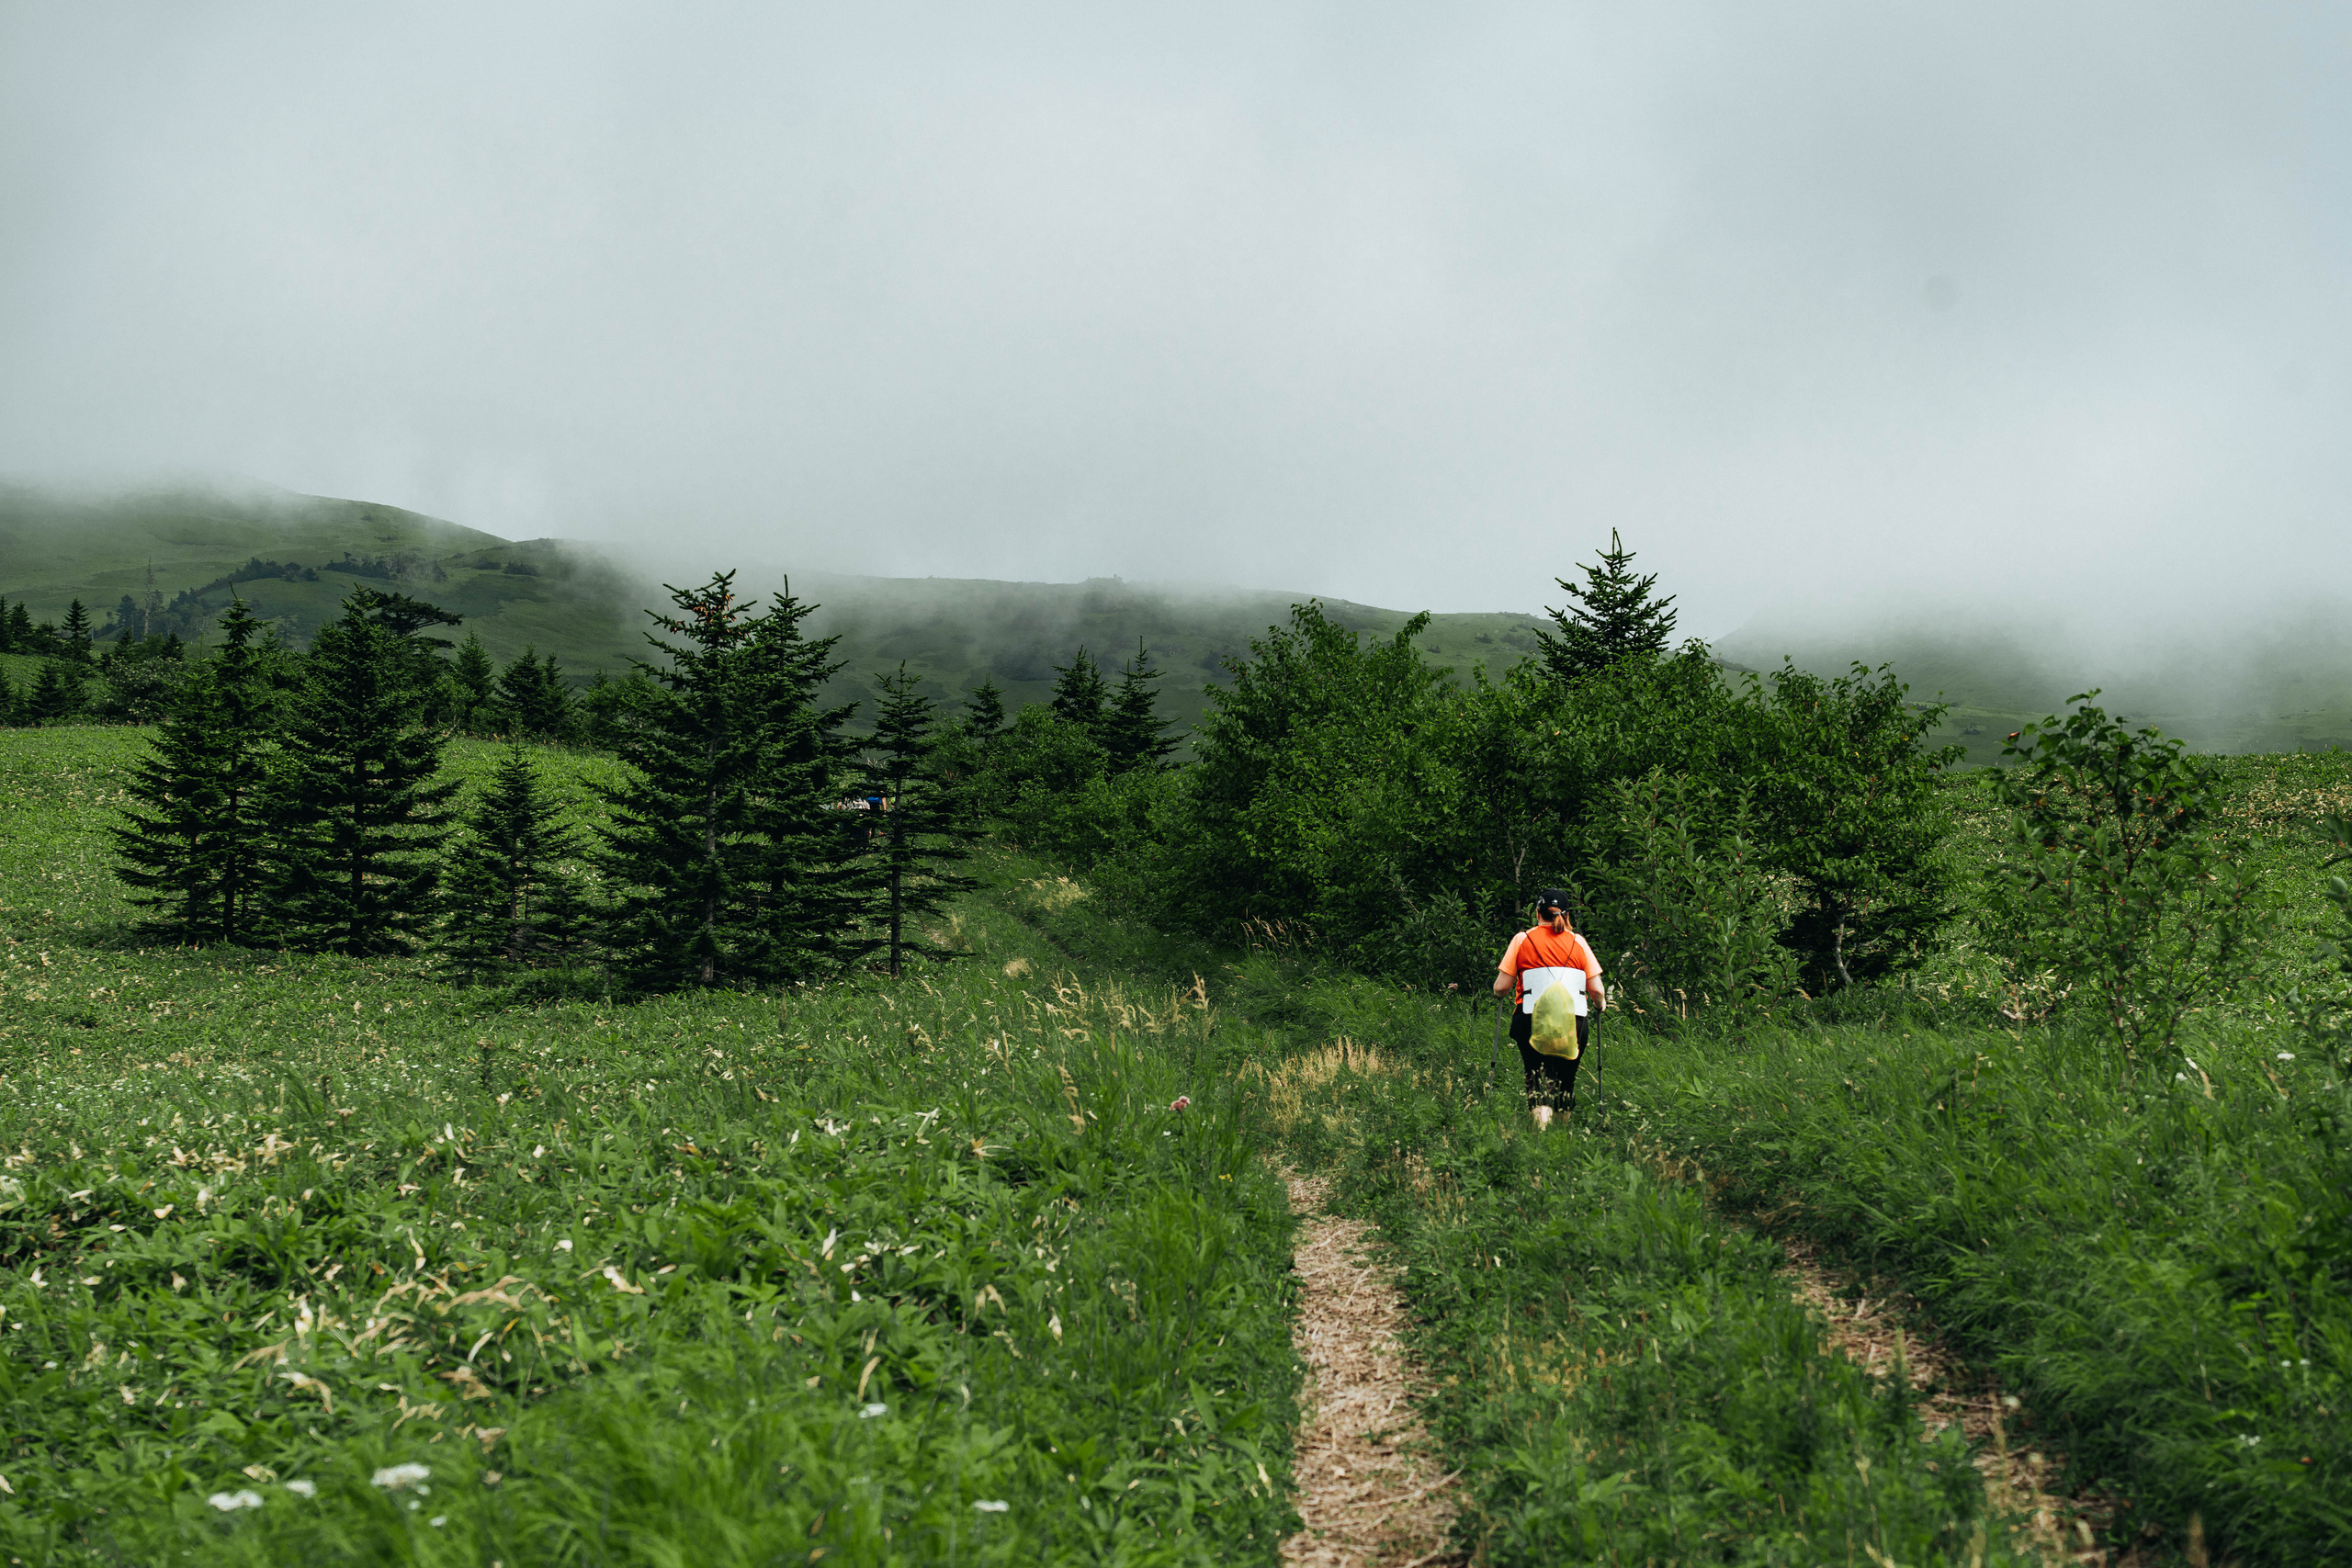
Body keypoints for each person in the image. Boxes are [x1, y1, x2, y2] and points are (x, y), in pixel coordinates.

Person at [1493, 890, 1606, 1129]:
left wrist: (1498, 992)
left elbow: (1502, 987)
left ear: (1537, 913)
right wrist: (1600, 1006)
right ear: (1566, 916)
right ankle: (1563, 1136)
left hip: (1530, 1020)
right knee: (1566, 1081)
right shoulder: (1578, 942)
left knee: (1537, 1078)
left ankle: (1541, 1136)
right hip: (1573, 1024)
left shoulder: (1522, 939)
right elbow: (1597, 991)